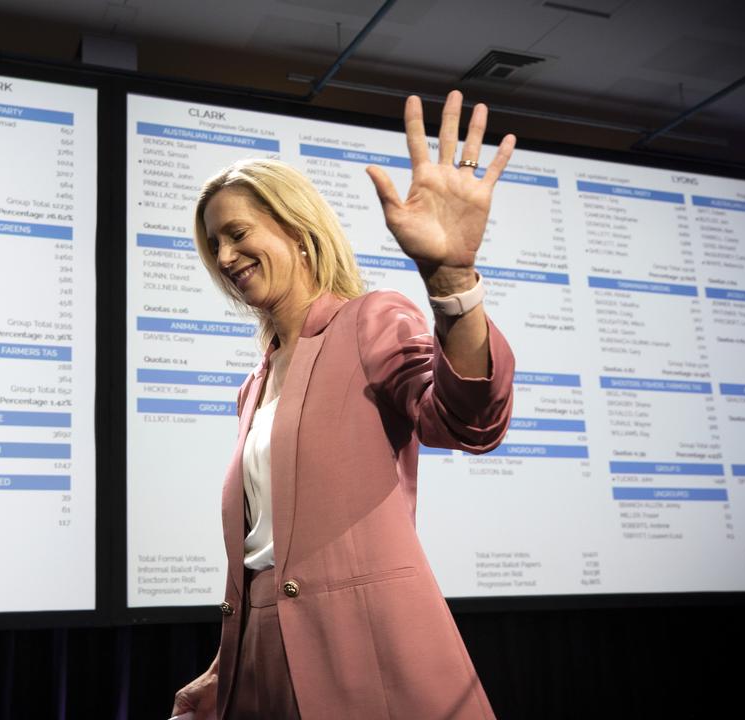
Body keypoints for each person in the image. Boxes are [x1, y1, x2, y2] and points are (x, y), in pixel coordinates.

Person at [170, 91, 517, 719]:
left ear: (298, 230)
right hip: (262, 658)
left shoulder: (370, 321)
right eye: (214, 244)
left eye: (238, 233)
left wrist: (451, 285)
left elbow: (468, 420)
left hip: (368, 655)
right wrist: (229, 667)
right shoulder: (254, 384)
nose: (224, 258)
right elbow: (264, 552)